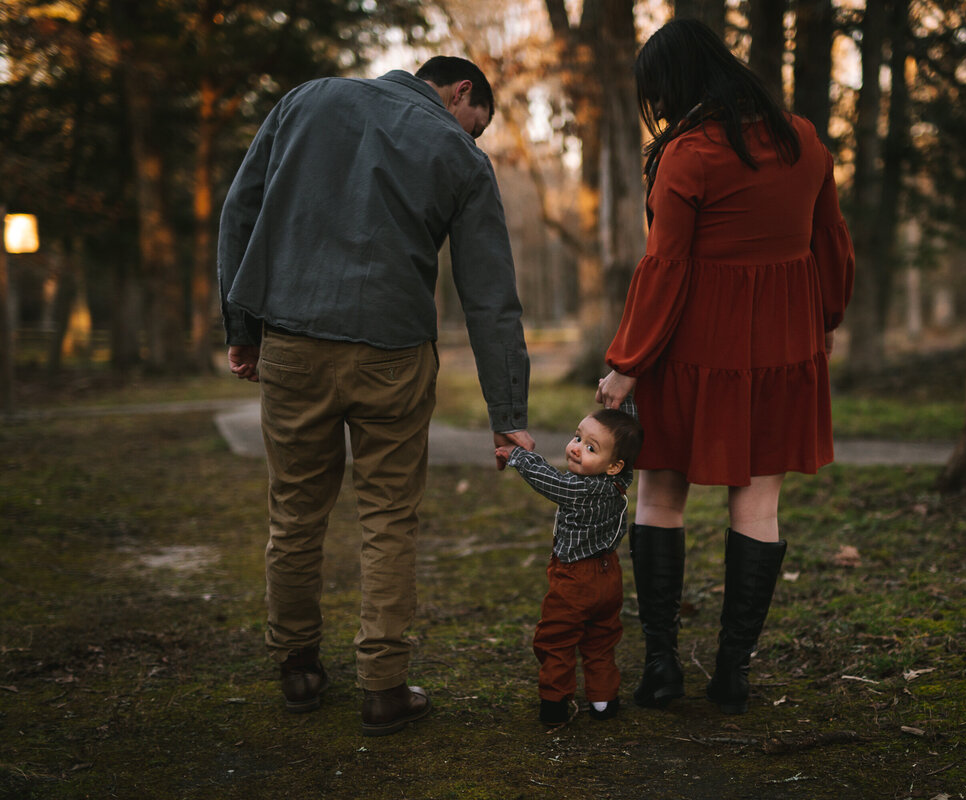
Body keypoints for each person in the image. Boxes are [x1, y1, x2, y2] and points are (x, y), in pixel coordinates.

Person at [217, 56, 535, 737]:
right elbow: (490, 298)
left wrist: (242, 327)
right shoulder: (459, 156)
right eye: (476, 126)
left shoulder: (307, 101)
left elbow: (241, 207)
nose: (472, 139)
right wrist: (509, 418)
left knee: (296, 510)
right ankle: (385, 689)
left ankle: (298, 668)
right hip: (393, 354)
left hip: (294, 340)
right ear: (462, 92)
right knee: (389, 518)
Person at [595, 19, 855, 715]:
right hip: (780, 353)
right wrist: (819, 320)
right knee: (758, 503)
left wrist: (626, 364)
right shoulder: (805, 139)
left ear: (674, 85)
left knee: (659, 498)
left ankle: (661, 669)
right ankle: (732, 674)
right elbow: (831, 242)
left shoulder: (689, 153)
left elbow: (664, 268)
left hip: (688, 354)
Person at [495, 399, 642, 726]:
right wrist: (622, 399)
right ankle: (604, 701)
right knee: (601, 639)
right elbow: (627, 440)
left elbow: (551, 481)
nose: (576, 449)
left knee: (556, 640)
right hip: (609, 576)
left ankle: (555, 704)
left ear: (614, 464)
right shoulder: (619, 482)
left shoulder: (579, 489)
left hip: (575, 579)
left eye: (591, 447)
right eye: (577, 438)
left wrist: (519, 457)